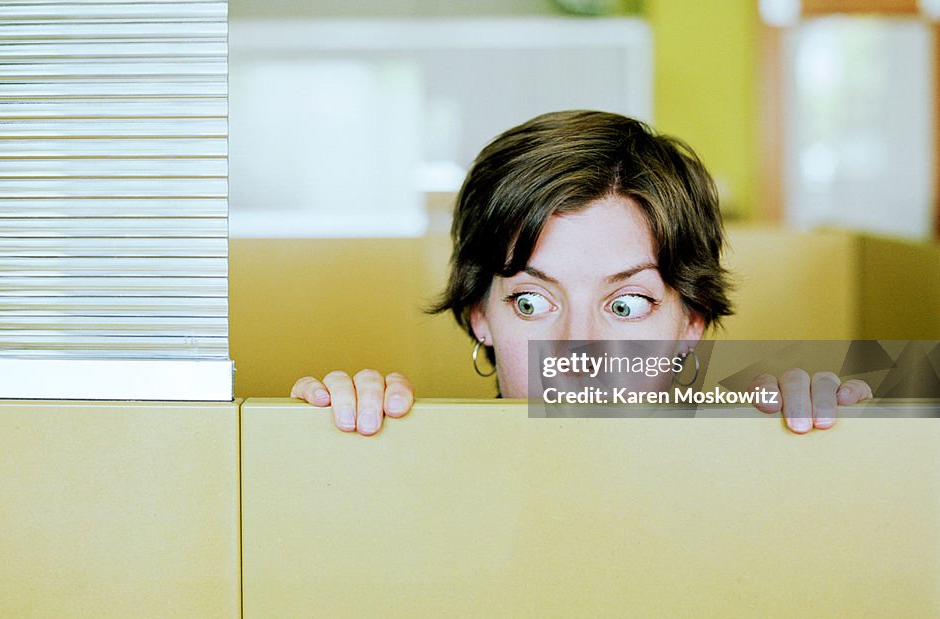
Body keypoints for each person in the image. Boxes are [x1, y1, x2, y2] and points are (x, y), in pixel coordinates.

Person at [291, 110, 872, 433]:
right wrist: (343, 443)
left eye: (626, 305)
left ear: (690, 324)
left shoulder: (739, 495)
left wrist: (817, 462)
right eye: (531, 302)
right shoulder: (425, 488)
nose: (577, 351)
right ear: (479, 315)